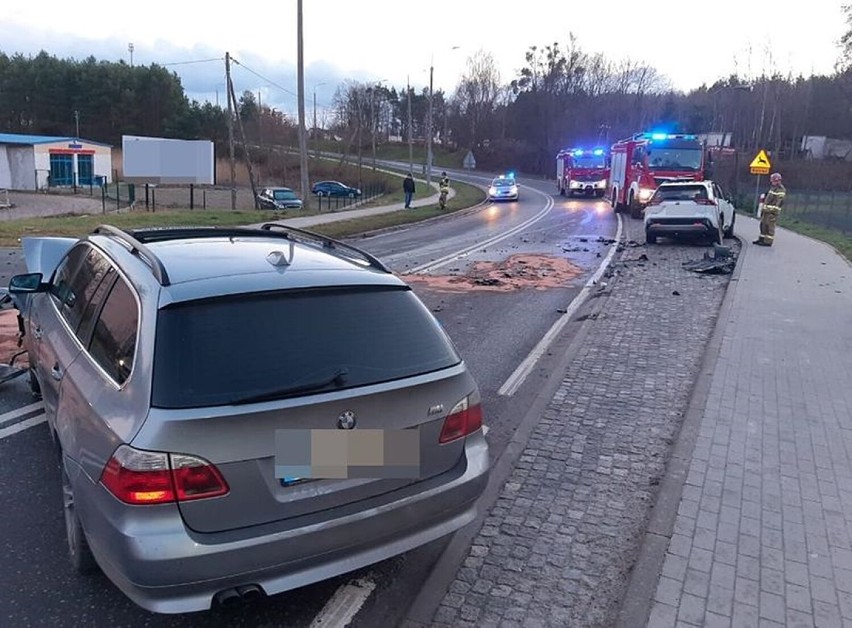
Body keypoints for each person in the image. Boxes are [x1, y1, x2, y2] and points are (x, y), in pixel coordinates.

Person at [754, 172, 786, 247]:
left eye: (773, 181)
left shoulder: (781, 190)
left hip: (772, 213)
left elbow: (779, 202)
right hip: (766, 211)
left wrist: (772, 211)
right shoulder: (773, 188)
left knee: (770, 226)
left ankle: (768, 242)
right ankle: (761, 239)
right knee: (763, 225)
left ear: (778, 181)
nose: (772, 182)